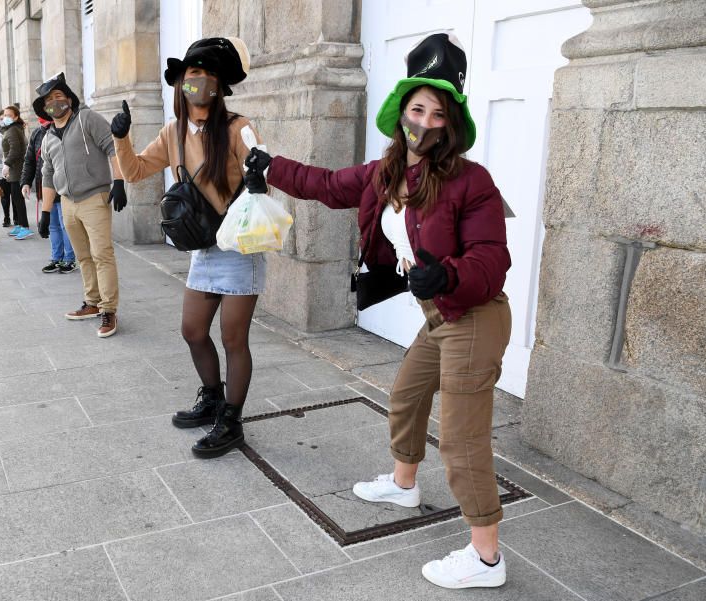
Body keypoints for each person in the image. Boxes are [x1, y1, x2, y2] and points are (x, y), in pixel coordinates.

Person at [245, 33, 512, 589]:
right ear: (402, 112)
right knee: (408, 396)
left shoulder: (471, 181)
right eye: (418, 108)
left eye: (439, 113)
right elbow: (322, 184)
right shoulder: (384, 175)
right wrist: (270, 167)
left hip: (476, 314)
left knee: (462, 439)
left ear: (452, 124)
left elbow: (493, 256)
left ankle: (486, 557)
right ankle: (404, 482)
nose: (426, 121)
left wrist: (450, 273)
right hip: (440, 317)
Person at [111, 37, 258, 458]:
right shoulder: (172, 131)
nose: (195, 82)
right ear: (180, 84)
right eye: (189, 75)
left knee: (234, 340)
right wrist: (121, 138)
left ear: (219, 84)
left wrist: (257, 173)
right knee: (193, 331)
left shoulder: (236, 127)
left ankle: (231, 421)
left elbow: (260, 162)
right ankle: (212, 397)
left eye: (204, 74)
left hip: (237, 245)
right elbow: (136, 170)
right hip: (203, 247)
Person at [35, 72, 127, 338]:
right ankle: (92, 302)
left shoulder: (87, 119)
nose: (54, 103)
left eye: (59, 97)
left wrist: (119, 182)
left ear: (69, 99)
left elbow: (112, 146)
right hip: (67, 203)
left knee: (102, 254)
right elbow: (48, 175)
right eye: (48, 100)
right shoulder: (48, 137)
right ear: (44, 108)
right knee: (83, 257)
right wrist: (45, 212)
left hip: (93, 198)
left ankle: (109, 310)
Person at [23, 110, 75, 272]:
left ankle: (69, 259)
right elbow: (30, 159)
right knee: (52, 225)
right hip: (44, 188)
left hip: (63, 188)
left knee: (65, 224)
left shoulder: (67, 130)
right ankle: (56, 258)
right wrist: (25, 181)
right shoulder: (37, 134)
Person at [0, 105, 31, 239]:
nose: (5, 117)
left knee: (18, 199)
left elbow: (15, 150)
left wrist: (7, 164)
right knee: (15, 198)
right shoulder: (14, 128)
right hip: (15, 169)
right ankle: (19, 225)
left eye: (9, 115)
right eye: (4, 115)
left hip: (16, 169)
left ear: (16, 117)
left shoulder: (12, 130)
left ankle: (24, 227)